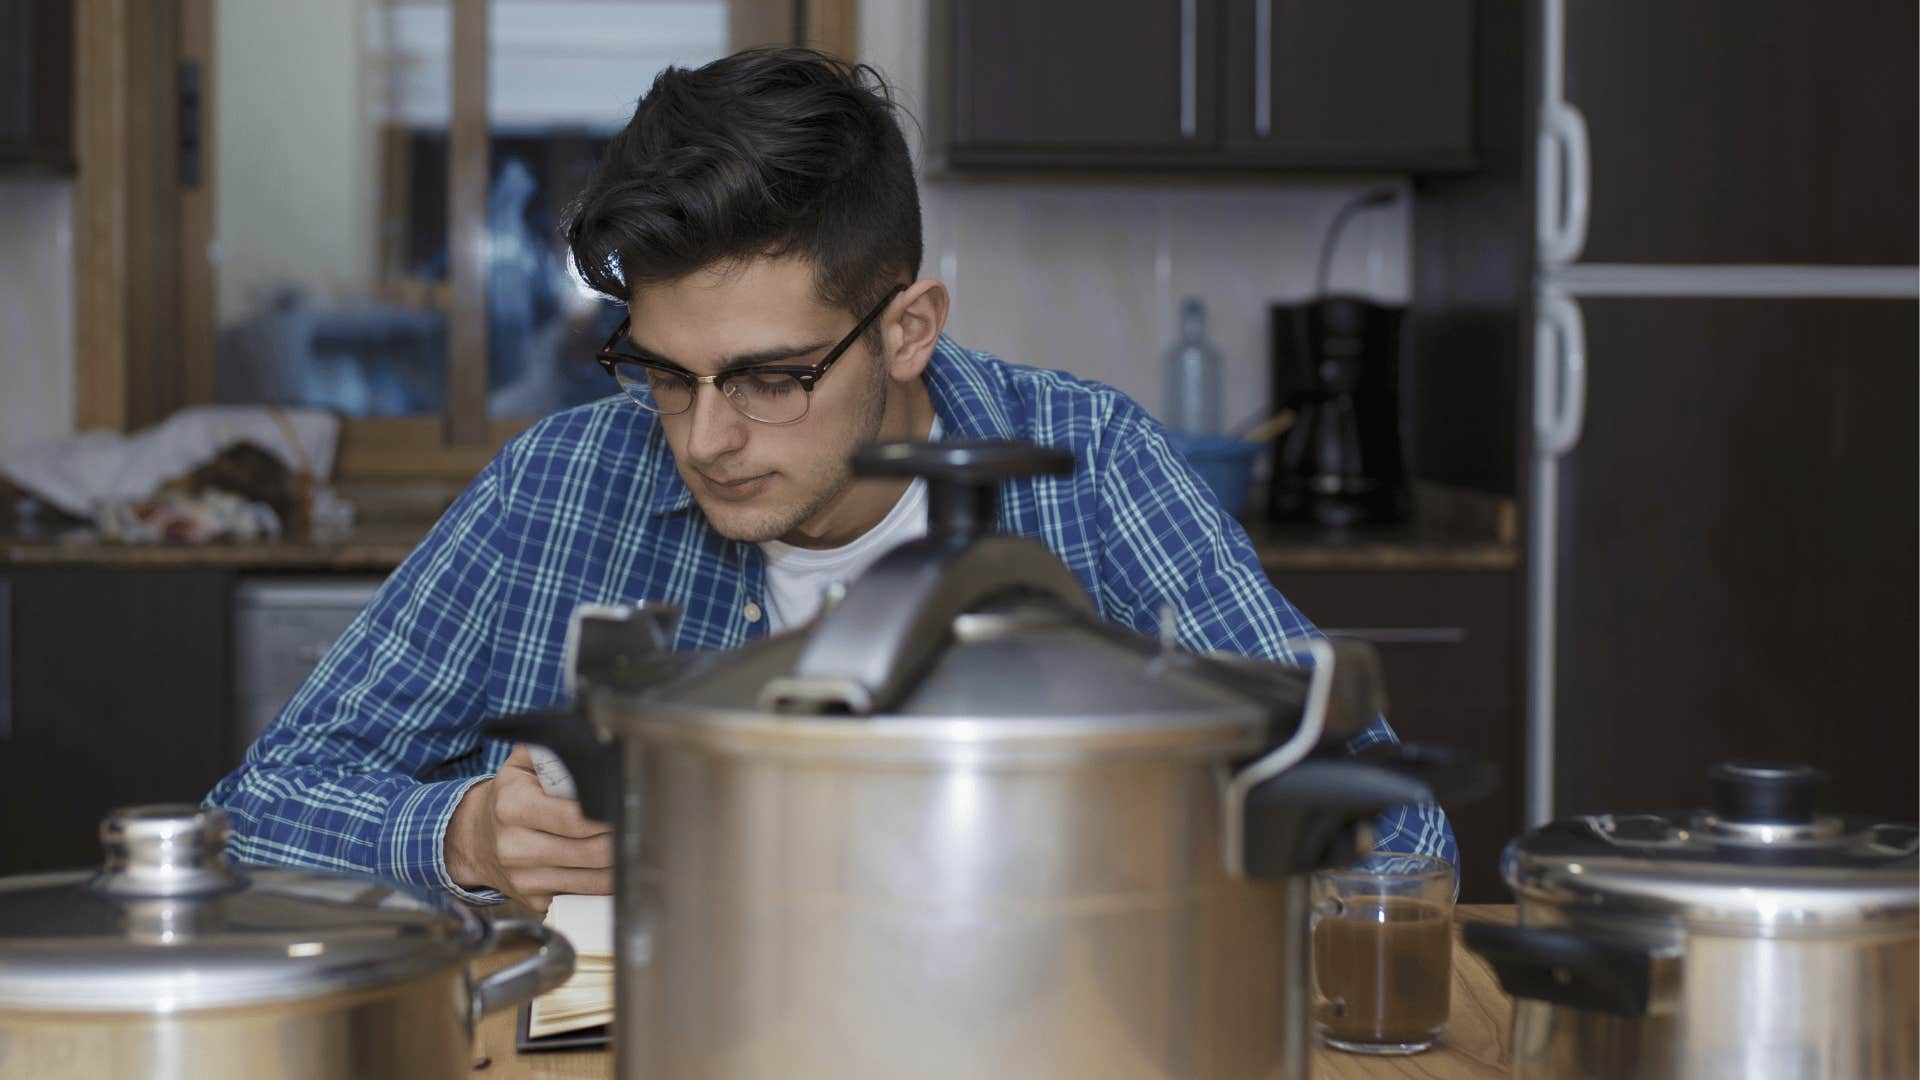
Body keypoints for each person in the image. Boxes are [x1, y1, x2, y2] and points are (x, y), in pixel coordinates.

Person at [205, 47, 1453, 912]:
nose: (703, 440)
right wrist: (463, 835)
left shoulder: (1092, 468)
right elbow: (256, 804)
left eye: (769, 379)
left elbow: (1392, 834)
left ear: (909, 328)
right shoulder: (554, 485)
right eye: (664, 372)